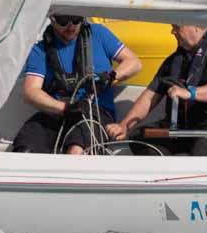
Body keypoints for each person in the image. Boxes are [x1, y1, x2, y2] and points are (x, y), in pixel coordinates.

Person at [106, 24, 207, 156]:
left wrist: (190, 93)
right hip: (184, 131)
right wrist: (124, 125)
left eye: (177, 26)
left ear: (196, 27)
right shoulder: (174, 61)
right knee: (139, 139)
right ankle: (162, 179)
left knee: (204, 149)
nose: (172, 31)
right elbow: (149, 97)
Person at [12, 14, 141, 155]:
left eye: (76, 20)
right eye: (63, 21)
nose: (71, 26)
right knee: (26, 148)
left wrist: (110, 78)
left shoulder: (98, 33)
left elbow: (134, 62)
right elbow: (30, 91)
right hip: (57, 113)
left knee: (76, 150)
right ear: (52, 18)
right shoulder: (39, 50)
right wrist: (65, 108)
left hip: (95, 113)